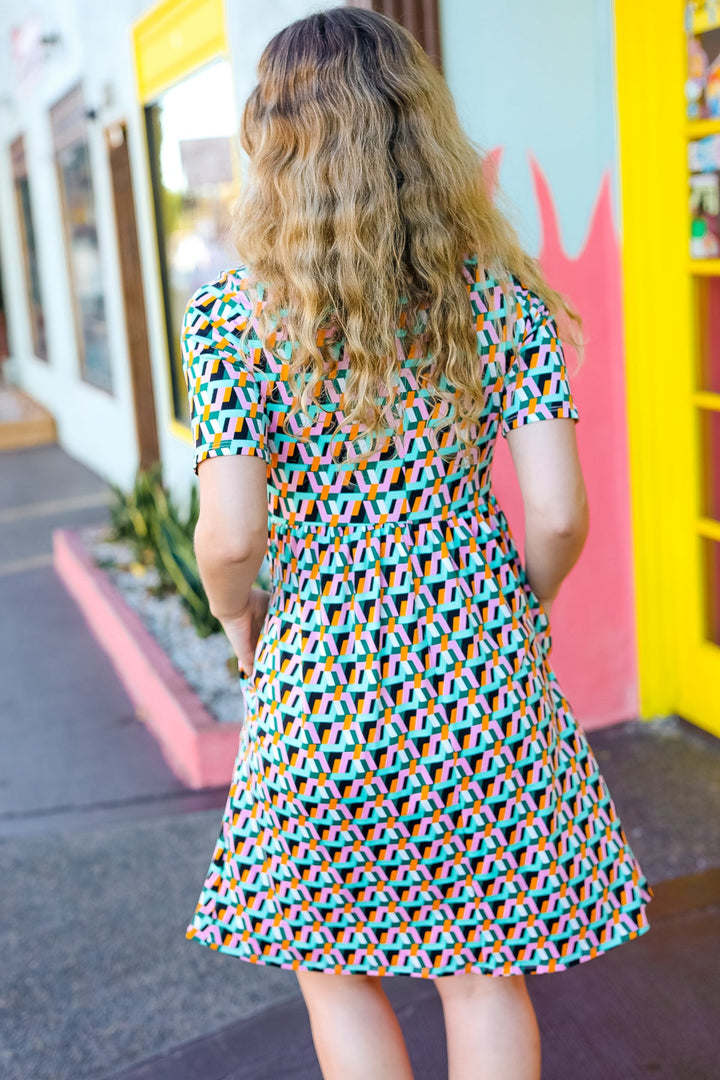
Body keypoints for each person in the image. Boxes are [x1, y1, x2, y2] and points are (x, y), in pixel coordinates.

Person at [181, 8, 654, 1079]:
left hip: (318, 679)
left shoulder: (231, 318)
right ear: (421, 126)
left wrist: (239, 621)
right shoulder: (500, 295)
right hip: (477, 669)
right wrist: (511, 604)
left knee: (334, 974)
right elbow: (559, 514)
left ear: (275, 137)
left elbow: (231, 533)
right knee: (483, 974)